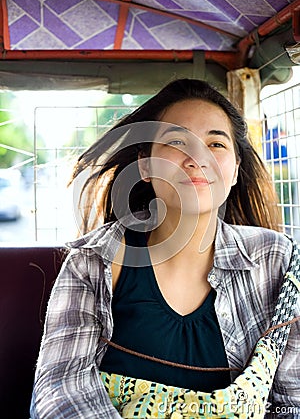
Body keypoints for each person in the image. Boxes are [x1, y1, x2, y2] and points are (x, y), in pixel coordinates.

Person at [30, 79, 299, 418]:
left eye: (216, 143)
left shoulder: (277, 261)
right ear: (145, 165)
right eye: (176, 141)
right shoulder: (91, 263)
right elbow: (60, 393)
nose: (197, 158)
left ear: (234, 171)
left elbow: (291, 402)